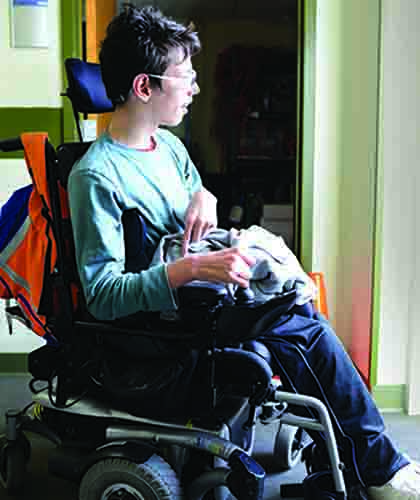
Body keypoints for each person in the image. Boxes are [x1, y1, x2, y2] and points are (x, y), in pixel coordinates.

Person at [67, 4, 420, 499]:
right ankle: (379, 468)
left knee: (297, 297)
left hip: (201, 291)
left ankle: (342, 460)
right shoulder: (95, 176)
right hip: (162, 321)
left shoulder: (167, 148)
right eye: (184, 77)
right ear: (145, 87)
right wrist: (190, 269)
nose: (193, 88)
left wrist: (204, 195)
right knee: (300, 327)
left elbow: (197, 194)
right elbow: (103, 294)